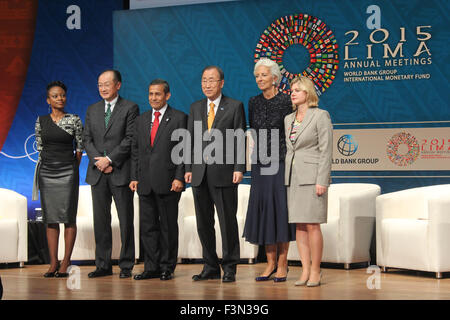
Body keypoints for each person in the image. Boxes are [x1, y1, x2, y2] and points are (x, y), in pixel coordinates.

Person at [185, 66, 246, 283]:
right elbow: (190, 140)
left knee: (227, 222)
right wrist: (188, 169)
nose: (207, 84)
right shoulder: (195, 107)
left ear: (221, 83)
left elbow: (240, 138)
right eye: (204, 80)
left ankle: (229, 267)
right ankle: (210, 266)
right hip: (200, 174)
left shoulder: (235, 106)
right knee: (204, 223)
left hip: (225, 173)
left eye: (211, 80)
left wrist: (239, 167)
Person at [243, 58, 295, 282]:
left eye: (263, 75)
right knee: (264, 211)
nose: (259, 79)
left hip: (280, 162)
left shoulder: (286, 101)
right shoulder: (253, 102)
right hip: (260, 163)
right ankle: (270, 263)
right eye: (257, 76)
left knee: (280, 211)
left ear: (275, 78)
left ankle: (283, 264)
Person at [130, 79, 187, 281]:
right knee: (148, 227)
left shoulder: (179, 118)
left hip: (169, 182)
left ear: (167, 96)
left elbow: (183, 151)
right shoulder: (141, 119)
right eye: (151, 94)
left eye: (158, 94)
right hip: (145, 182)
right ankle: (151, 266)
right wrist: (134, 177)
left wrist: (180, 177)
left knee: (168, 227)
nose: (153, 98)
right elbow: (135, 151)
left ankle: (167, 267)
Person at [83, 70, 139, 279]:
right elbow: (87, 139)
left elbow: (130, 139)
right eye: (100, 85)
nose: (103, 88)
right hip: (97, 173)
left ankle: (126, 265)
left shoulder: (130, 108)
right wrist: (99, 161)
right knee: (101, 221)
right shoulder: (92, 109)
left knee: (125, 220)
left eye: (107, 84)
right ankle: (103, 264)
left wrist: (110, 160)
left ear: (118, 85)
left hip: (120, 172)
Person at [284, 76, 333, 287]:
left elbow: (326, 150)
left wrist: (322, 180)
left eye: (297, 90)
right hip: (293, 178)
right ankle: (304, 270)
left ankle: (315, 270)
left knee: (313, 225)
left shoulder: (320, 116)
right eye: (291, 90)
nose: (292, 93)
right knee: (300, 226)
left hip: (313, 178)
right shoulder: (288, 119)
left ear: (307, 93)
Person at [33, 81, 83, 278]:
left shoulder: (74, 119)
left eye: (62, 95)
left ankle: (66, 261)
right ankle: (53, 262)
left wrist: (71, 169)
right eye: (55, 96)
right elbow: (40, 148)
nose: (60, 98)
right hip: (47, 172)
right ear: (48, 100)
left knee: (68, 218)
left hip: (68, 171)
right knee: (51, 219)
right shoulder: (41, 120)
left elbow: (79, 148)